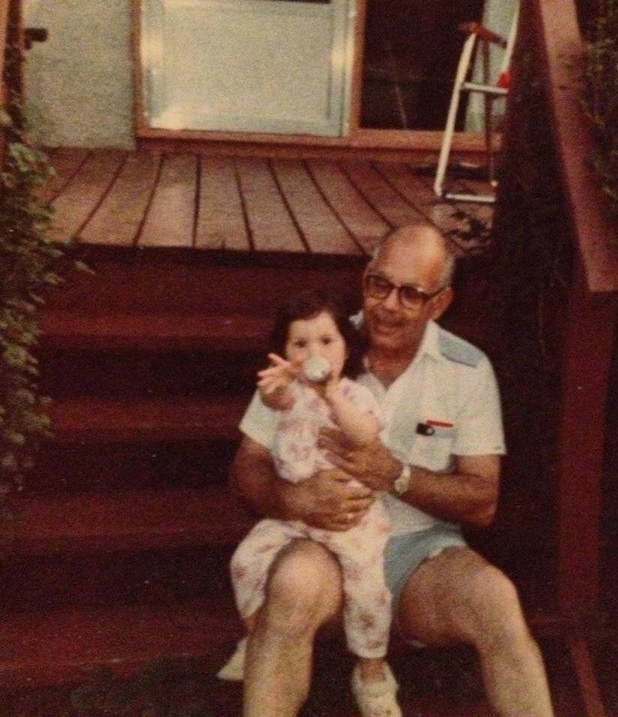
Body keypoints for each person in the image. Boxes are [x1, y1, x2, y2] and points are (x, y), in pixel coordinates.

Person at [230, 223, 556, 717]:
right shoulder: (320, 344)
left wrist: (395, 475)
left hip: (417, 556)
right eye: (380, 285)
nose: (388, 305)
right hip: (322, 547)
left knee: (497, 599)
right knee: (294, 581)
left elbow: (482, 501)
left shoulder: (466, 369)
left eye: (411, 293)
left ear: (439, 303)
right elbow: (247, 465)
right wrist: (292, 500)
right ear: (365, 279)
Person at [219, 289, 402, 717]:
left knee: (368, 591)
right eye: (299, 344)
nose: (313, 352)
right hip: (294, 518)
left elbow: (362, 435)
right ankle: (256, 635)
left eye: (326, 341)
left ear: (345, 347)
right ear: (283, 352)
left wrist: (330, 393)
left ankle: (372, 671)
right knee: (244, 561)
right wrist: (275, 388)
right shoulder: (286, 394)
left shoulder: (356, 395)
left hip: (349, 522)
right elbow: (275, 402)